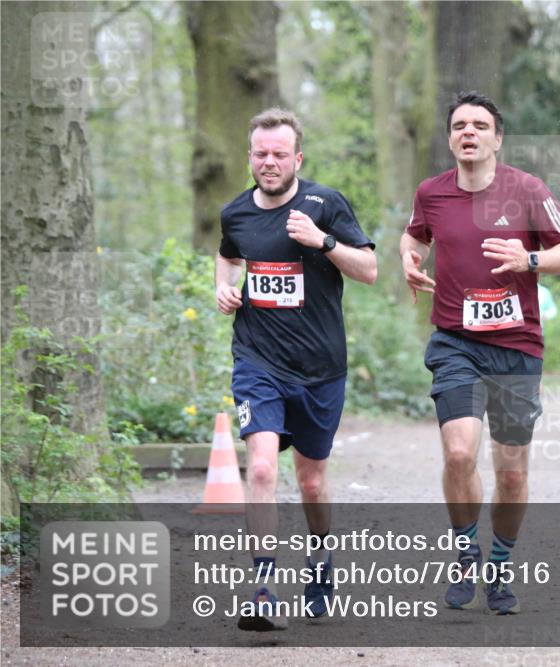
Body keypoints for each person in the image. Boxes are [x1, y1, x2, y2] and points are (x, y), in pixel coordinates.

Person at [400, 91, 560, 615]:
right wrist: (410, 260)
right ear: (450, 137)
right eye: (460, 125)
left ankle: (499, 566)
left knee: (512, 473)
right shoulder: (431, 192)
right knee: (459, 453)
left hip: (517, 346)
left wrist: (529, 258)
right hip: (456, 342)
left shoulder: (527, 190)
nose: (469, 132)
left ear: (497, 138)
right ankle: (465, 554)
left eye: (480, 125)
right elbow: (413, 235)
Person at [216, 108, 377, 631]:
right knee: (261, 467)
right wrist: (223, 284)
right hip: (258, 361)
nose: (269, 162)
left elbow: (370, 270)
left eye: (279, 154)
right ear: (250, 157)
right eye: (260, 153)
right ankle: (263, 587)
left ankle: (321, 559)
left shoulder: (324, 204)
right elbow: (228, 255)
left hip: (321, 368)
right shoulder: (235, 213)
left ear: (297, 158)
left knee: (311, 482)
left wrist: (323, 242)